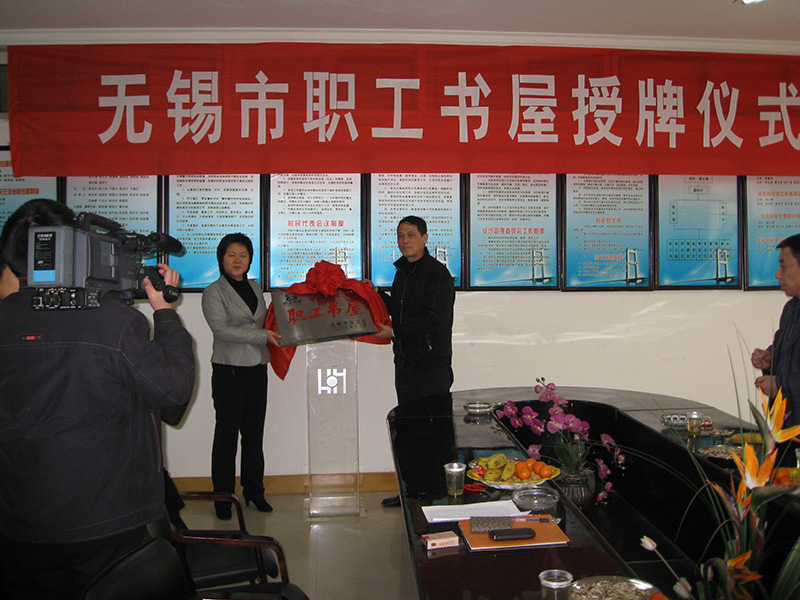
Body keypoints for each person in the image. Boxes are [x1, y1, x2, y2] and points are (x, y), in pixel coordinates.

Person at [0, 199, 195, 599]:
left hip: (19, 526)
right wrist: (164, 311)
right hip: (109, 525)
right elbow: (173, 391)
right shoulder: (113, 323)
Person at [374, 216, 456, 506]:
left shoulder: (438, 274)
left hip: (432, 366)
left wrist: (395, 331)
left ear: (425, 238)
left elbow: (435, 320)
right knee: (408, 430)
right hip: (406, 363)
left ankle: (435, 492)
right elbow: (398, 311)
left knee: (434, 432)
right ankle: (410, 491)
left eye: (411, 234)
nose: (405, 240)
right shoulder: (402, 273)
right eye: (400, 235)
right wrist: (373, 294)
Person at [202, 233, 281, 519]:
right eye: (231, 255)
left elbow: (267, 319)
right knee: (226, 437)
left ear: (250, 259)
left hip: (257, 368)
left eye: (243, 255)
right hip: (229, 370)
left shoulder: (255, 287)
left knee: (254, 435)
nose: (237, 260)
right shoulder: (213, 292)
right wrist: (263, 336)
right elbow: (221, 330)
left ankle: (254, 492)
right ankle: (223, 498)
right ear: (221, 259)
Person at [752, 233, 800, 430]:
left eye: (783, 266)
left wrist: (780, 383)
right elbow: (789, 353)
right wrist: (771, 359)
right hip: (786, 424)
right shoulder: (791, 309)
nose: (778, 274)